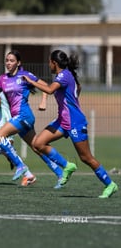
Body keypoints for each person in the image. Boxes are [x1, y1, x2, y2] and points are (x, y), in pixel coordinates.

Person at [23, 50, 118, 198]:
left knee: (86, 158)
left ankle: (110, 184)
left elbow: (49, 89)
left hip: (75, 122)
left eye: (49, 62)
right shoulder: (67, 75)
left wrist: (31, 82)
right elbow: (78, 88)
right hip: (63, 120)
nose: (49, 65)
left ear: (54, 63)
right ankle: (67, 166)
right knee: (38, 143)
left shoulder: (63, 75)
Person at [0, 50, 64, 188]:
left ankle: (21, 167)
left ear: (18, 63)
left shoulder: (25, 75)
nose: (8, 63)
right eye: (7, 60)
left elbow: (47, 87)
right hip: (18, 118)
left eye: (12, 60)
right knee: (37, 147)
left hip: (25, 116)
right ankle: (60, 173)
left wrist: (43, 101)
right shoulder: (3, 79)